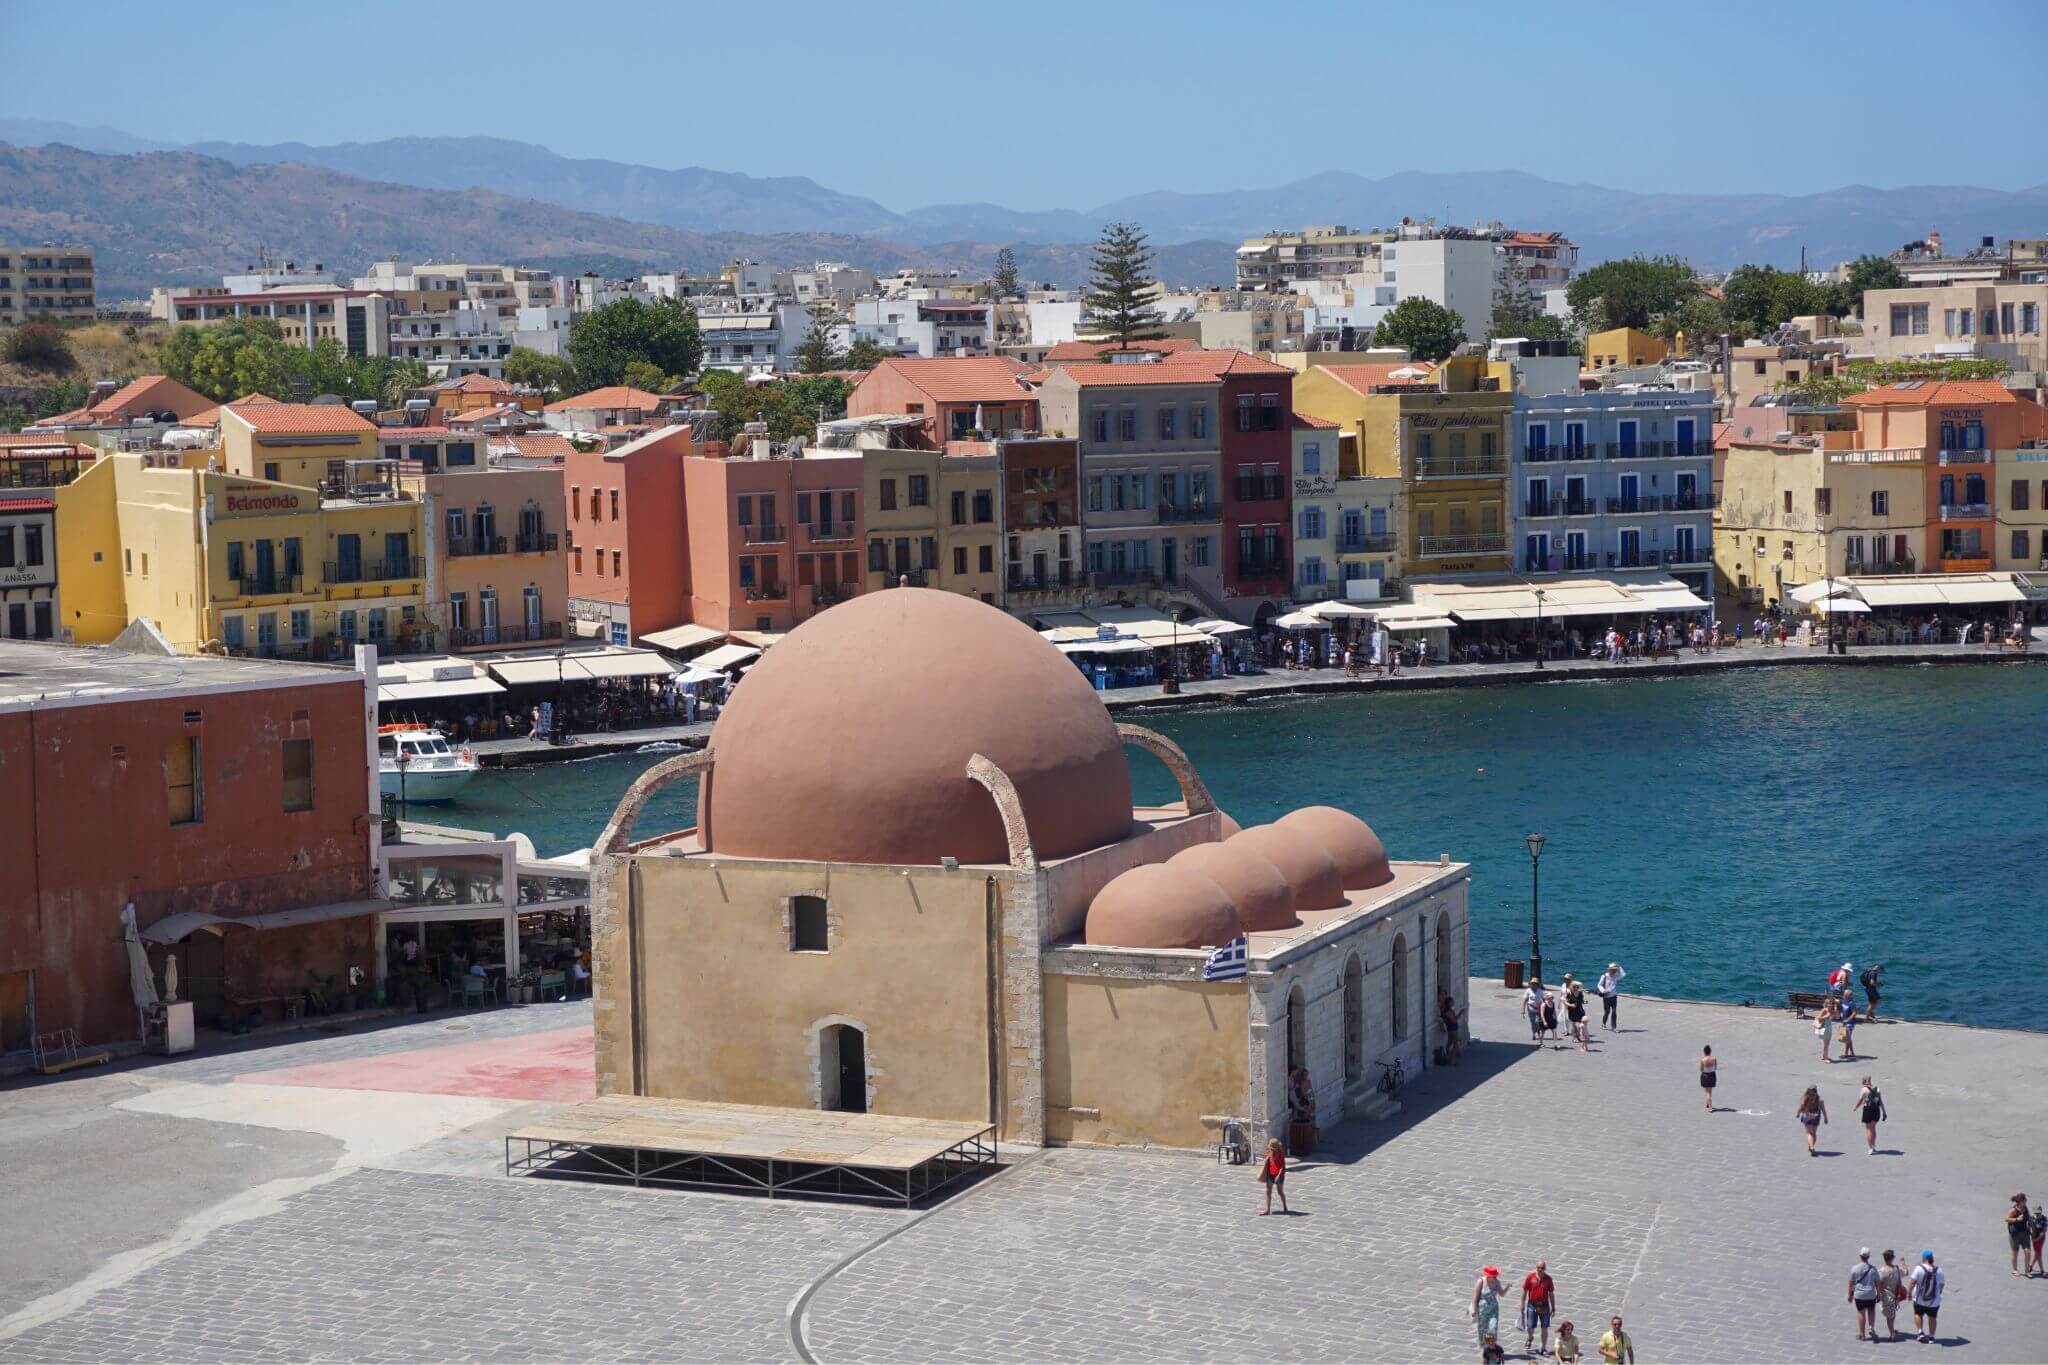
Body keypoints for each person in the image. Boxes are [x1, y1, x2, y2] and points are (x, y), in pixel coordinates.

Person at [1520, 1259, 1556, 1356]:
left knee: (1544, 1327)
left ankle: (1543, 1348)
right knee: (1530, 1326)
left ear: (1545, 1268)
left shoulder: (1548, 1279)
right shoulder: (1530, 1277)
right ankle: (1530, 1337)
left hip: (1544, 1305)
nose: (1540, 1270)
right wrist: (1522, 1303)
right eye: (1538, 1268)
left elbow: (1551, 1294)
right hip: (1532, 1305)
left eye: (1542, 1268)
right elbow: (1525, 1290)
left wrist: (1553, 1307)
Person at [1470, 1267, 1509, 1352]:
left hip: (1493, 1310)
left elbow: (1501, 1294)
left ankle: (1491, 1347)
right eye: (1493, 1276)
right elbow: (1475, 1297)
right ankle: (1485, 1348)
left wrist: (1507, 1287)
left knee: (1493, 1328)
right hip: (1482, 1310)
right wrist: (1473, 1309)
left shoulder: (1497, 1282)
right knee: (1482, 1329)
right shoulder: (1481, 1281)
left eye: (1495, 1276)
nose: (1495, 1277)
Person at [1908, 1250, 1943, 1342]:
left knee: (1918, 1314)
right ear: (1932, 1259)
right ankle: (1931, 1336)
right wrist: (1938, 1294)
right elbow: (1941, 1285)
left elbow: (1912, 1282)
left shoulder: (1919, 1268)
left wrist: (1909, 1293)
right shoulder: (1939, 1270)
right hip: (1934, 1301)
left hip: (1920, 1299)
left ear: (1924, 1258)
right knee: (1932, 1317)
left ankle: (1920, 1332)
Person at [1849, 1248, 1880, 1341]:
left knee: (1861, 1313)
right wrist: (1879, 1294)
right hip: (1870, 1294)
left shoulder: (1854, 1268)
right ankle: (1871, 1327)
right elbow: (1878, 1283)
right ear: (1869, 1257)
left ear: (1860, 1256)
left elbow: (1850, 1283)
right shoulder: (1873, 1269)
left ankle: (1862, 1334)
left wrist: (1849, 1295)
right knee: (1871, 1311)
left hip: (1859, 1295)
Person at [1876, 1250, 1906, 1342]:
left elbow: (1878, 1284)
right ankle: (1892, 1329)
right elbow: (1906, 1272)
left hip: (1886, 1297)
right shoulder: (1897, 1269)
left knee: (1889, 1317)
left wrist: (1879, 1295)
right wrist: (1903, 1263)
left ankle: (1892, 1334)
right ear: (1892, 1258)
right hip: (1896, 1296)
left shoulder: (1881, 1271)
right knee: (1892, 1315)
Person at [1855, 1076, 1887, 1155]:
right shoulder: (1877, 1088)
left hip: (1868, 1110)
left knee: (1868, 1129)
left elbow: (1860, 1100)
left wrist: (1855, 1107)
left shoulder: (1864, 1089)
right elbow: (1880, 1101)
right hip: (1876, 1110)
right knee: (1873, 1129)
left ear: (1864, 1082)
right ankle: (1874, 1146)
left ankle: (1870, 1148)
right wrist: (1884, 1112)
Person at [1257, 1137, 1287, 1215]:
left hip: (1279, 1175)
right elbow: (1268, 1162)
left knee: (1280, 1192)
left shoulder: (1281, 1155)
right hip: (1270, 1174)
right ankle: (1268, 1210)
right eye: (1271, 1148)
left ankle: (1285, 1206)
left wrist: (1278, 1176)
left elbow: (1282, 1167)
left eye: (1273, 1148)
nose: (1272, 1149)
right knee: (1268, 1192)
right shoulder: (1269, 1152)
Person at [1797, 1084, 1827, 1154]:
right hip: (1816, 1117)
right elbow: (1823, 1109)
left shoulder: (1805, 1097)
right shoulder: (1819, 1099)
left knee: (1809, 1133)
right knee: (1813, 1133)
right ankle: (1811, 1146)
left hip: (1807, 1116)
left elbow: (1801, 1106)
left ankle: (1812, 1147)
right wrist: (1825, 1118)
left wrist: (1798, 1113)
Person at [2008, 1194, 2032, 1277]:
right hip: (2015, 1234)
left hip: (2025, 1233)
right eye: (2025, 1200)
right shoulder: (2013, 1210)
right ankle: (2015, 1270)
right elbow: (2006, 1219)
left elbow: (2028, 1218)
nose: (2026, 1201)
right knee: (2015, 1252)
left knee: (2028, 1252)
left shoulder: (2025, 1208)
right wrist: (2016, 1219)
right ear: (2020, 1201)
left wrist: (2029, 1223)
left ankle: (2027, 1271)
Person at [1596, 962, 1625, 1030]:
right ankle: (1603, 1023)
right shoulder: (1604, 976)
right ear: (1609, 970)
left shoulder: (1616, 976)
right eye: (1613, 969)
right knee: (1607, 1012)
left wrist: (1619, 966)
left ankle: (1614, 1027)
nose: (1614, 971)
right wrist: (1603, 991)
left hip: (1614, 996)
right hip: (1607, 997)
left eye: (1615, 970)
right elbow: (1599, 985)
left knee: (1614, 1011)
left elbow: (1623, 974)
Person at [1563, 975, 1588, 1052]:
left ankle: (1579, 1036)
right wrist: (1570, 1005)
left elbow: (1581, 1000)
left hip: (1580, 1010)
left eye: (1577, 987)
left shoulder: (1580, 993)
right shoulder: (1569, 993)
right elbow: (1565, 1002)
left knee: (1581, 1024)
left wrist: (1584, 1002)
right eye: (1574, 987)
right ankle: (1574, 1037)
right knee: (1573, 1024)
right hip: (1572, 1010)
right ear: (1572, 987)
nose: (1576, 988)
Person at [1439, 992, 1462, 1064]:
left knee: (1449, 1043)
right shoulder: (1447, 1011)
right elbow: (1454, 1020)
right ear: (1449, 1003)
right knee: (1455, 1045)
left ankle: (1447, 1057)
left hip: (1452, 1028)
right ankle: (1451, 1060)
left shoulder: (1449, 1010)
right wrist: (1461, 1012)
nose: (1453, 1003)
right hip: (1452, 1029)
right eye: (1452, 1002)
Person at [1838, 995, 1860, 1062]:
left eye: (1845, 995)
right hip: (1844, 1022)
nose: (1843, 996)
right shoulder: (1844, 1001)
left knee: (1847, 1038)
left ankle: (1846, 1053)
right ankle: (1851, 1053)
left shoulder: (1852, 1003)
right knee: (1847, 1038)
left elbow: (1854, 1012)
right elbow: (1836, 1000)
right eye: (1844, 995)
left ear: (1849, 996)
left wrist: (1848, 1020)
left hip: (1850, 1023)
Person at [1525, 979, 1546, 1044]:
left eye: (1535, 983)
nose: (1534, 984)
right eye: (1533, 983)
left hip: (1538, 1009)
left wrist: (1545, 1007)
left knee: (1537, 1022)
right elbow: (1525, 1000)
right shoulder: (1528, 990)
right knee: (1533, 1023)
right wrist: (1523, 1010)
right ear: (1531, 984)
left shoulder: (1540, 991)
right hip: (1530, 1009)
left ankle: (1538, 1033)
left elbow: (1543, 999)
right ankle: (1534, 1034)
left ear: (1537, 984)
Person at [1817, 995, 1836, 1063]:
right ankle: (1825, 1058)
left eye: (1832, 1003)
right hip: (1824, 1028)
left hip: (1828, 1028)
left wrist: (1835, 1007)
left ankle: (1825, 1056)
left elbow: (1836, 1017)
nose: (1831, 1004)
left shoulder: (1830, 1010)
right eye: (1830, 1003)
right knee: (1826, 1044)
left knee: (1826, 1043)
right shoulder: (1825, 1010)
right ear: (1826, 1004)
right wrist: (1826, 1016)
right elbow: (1818, 1018)